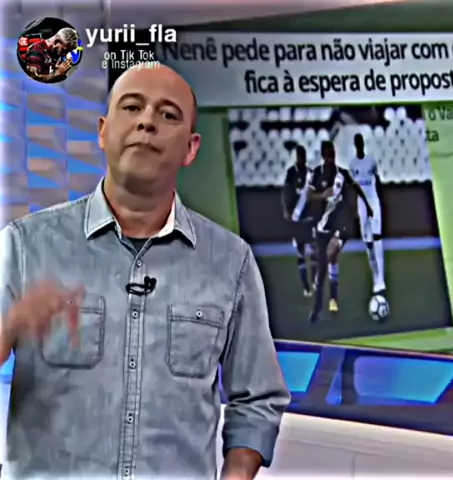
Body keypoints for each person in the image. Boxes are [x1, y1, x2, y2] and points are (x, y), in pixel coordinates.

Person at [0, 62, 290, 480]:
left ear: (191, 148)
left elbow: (258, 400)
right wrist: (9, 328)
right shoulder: (26, 245)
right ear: (103, 131)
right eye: (132, 107)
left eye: (168, 114)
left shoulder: (231, 261)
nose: (147, 122)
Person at [307, 141, 373, 323]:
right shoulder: (316, 174)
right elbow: (308, 196)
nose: (331, 159)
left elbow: (356, 187)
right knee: (323, 266)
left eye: (333, 155)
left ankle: (333, 298)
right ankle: (318, 305)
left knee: (332, 252)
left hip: (341, 224)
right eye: (328, 155)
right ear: (323, 156)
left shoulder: (341, 174)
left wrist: (367, 205)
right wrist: (322, 195)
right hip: (322, 227)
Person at [349, 133, 386, 294]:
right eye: (357, 143)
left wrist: (378, 202)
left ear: (363, 144)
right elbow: (355, 189)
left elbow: (378, 180)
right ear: (355, 145)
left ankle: (381, 281)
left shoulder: (371, 160)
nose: (360, 145)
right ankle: (375, 276)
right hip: (362, 206)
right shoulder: (352, 165)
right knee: (368, 243)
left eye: (361, 142)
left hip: (373, 201)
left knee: (377, 238)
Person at [282, 145, 317, 297]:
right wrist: (286, 209)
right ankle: (306, 286)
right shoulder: (291, 173)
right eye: (299, 156)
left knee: (314, 249)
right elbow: (286, 192)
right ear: (296, 157)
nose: (302, 159)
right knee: (301, 252)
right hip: (297, 219)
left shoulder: (310, 173)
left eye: (303, 156)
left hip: (309, 218)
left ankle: (314, 280)